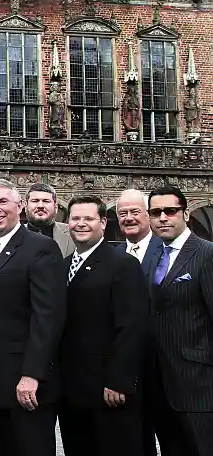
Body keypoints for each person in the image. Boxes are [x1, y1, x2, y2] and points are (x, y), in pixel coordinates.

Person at [0, 178, 66, 456]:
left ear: (19, 207)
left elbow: (48, 316)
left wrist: (32, 374)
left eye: (2, 202)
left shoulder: (40, 248)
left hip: (25, 383)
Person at [58, 195, 148, 456]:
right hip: (72, 388)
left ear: (103, 222)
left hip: (107, 388)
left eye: (88, 218)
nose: (81, 224)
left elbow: (133, 326)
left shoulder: (123, 264)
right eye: (75, 218)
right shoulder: (63, 267)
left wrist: (119, 380)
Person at [148, 185, 213, 455]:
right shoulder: (154, 256)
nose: (163, 217)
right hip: (160, 382)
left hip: (198, 384)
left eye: (170, 211)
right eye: (155, 212)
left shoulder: (207, 254)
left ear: (185, 214)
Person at [115, 188, 164, 456]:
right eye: (123, 213)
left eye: (135, 212)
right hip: (130, 370)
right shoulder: (116, 257)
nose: (129, 218)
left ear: (148, 215)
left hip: (165, 364)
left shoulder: (166, 250)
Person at [24, 183, 75, 257]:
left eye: (46, 201)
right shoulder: (12, 235)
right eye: (35, 201)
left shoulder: (73, 232)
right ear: (25, 206)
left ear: (55, 207)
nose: (40, 206)